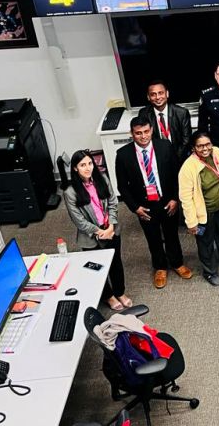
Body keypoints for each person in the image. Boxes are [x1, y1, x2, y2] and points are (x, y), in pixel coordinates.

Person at [114, 116, 191, 289]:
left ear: (152, 130)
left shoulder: (165, 146)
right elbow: (122, 186)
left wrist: (174, 198)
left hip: (167, 200)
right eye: (138, 133)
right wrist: (135, 208)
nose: (143, 136)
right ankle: (160, 267)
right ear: (132, 133)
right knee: (153, 237)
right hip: (145, 205)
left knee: (172, 234)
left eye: (146, 132)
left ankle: (177, 263)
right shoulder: (123, 154)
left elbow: (175, 174)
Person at [64, 150, 131, 311]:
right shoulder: (70, 192)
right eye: (82, 165)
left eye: (89, 163)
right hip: (91, 236)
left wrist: (111, 225)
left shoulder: (103, 179)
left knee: (116, 263)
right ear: (75, 168)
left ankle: (120, 292)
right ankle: (108, 296)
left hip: (111, 228)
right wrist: (99, 232)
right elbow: (78, 220)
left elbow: (113, 203)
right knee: (98, 268)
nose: (87, 168)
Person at [178, 131, 219, 287]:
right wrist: (191, 223)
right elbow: (185, 198)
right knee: (205, 242)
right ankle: (210, 272)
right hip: (203, 213)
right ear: (193, 148)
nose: (205, 148)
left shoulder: (218, 152)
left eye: (207, 144)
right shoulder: (188, 167)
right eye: (199, 146)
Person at [137, 80, 192, 164]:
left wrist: (175, 158)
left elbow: (186, 140)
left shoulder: (181, 113)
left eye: (160, 93)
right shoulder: (144, 114)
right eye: (153, 94)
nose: (158, 97)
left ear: (167, 94)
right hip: (156, 157)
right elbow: (145, 139)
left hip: (179, 156)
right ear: (148, 97)